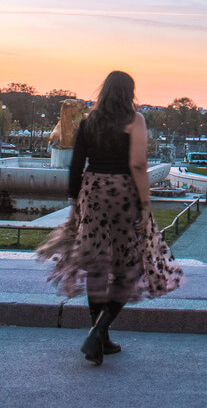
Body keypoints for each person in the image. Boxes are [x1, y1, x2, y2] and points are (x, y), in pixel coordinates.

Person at [37, 71, 182, 365]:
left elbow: (76, 165)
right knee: (129, 265)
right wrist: (144, 204)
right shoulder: (134, 120)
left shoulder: (89, 122)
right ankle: (100, 331)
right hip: (122, 192)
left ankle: (99, 337)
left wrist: (75, 201)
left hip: (92, 191)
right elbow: (138, 165)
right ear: (130, 92)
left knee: (96, 265)